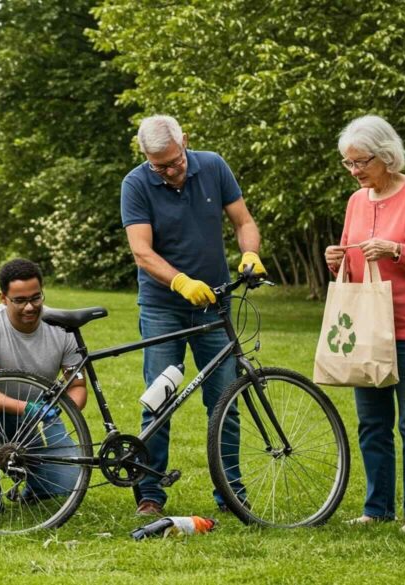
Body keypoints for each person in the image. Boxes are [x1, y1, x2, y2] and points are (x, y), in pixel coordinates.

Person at [120, 115, 265, 516]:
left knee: (225, 400)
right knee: (159, 399)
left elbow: (244, 221)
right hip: (163, 305)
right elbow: (142, 252)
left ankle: (230, 494)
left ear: (185, 141)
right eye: (158, 165)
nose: (168, 171)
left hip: (213, 306)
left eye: (174, 161)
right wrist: (181, 282)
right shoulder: (135, 183)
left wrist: (250, 253)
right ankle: (150, 494)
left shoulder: (214, 166)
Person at [326, 115, 405, 535]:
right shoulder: (356, 201)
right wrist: (336, 260)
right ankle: (376, 507)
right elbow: (353, 257)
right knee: (372, 423)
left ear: (385, 156)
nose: (355, 171)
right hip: (366, 328)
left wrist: (398, 250)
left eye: (361, 162)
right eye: (348, 164)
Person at [0, 259, 87, 513]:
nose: (30, 307)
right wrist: (27, 408)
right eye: (19, 300)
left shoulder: (61, 327)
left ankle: (34, 489)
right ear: (3, 298)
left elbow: (78, 385)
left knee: (67, 483)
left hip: (40, 419)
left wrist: (61, 409)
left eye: (36, 298)